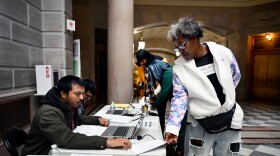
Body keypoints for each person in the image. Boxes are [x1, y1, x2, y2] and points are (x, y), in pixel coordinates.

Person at [165, 16, 244, 156]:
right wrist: (172, 128)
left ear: (194, 37)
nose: (180, 50)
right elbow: (179, 99)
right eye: (177, 47)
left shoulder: (223, 53)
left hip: (229, 120)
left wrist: (219, 99)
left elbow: (235, 76)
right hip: (199, 124)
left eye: (182, 45)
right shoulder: (179, 69)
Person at [22, 75, 131, 155]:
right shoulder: (48, 113)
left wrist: (97, 120)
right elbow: (66, 138)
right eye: (77, 94)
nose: (82, 98)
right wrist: (106, 142)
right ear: (63, 94)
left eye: (82, 94)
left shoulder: (63, 106)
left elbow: (77, 119)